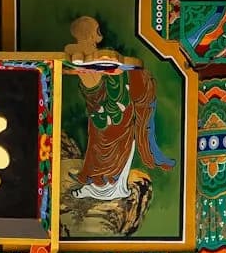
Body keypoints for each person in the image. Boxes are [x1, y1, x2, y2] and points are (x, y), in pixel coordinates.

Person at [62, 16, 173, 202]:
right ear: (89, 35)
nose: (99, 36)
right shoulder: (78, 56)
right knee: (97, 147)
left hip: (115, 111)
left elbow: (121, 70)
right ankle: (97, 186)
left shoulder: (99, 56)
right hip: (101, 110)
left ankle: (111, 188)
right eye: (96, 31)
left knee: (109, 148)